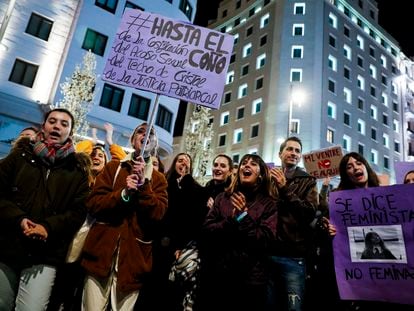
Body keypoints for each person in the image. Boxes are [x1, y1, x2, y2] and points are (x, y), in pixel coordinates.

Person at [0, 108, 90, 311]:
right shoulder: (19, 158)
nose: (57, 126)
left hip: (45, 254)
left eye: (64, 124)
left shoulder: (77, 170)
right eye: (52, 121)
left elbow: (78, 211)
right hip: (8, 246)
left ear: (71, 133)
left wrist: (47, 227)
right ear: (44, 126)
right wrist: (19, 219)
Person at [80, 122, 168, 311]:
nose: (145, 136)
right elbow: (94, 204)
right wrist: (123, 194)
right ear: (132, 139)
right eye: (140, 132)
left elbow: (158, 215)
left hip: (133, 263)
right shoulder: (113, 168)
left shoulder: (159, 180)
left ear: (155, 144)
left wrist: (144, 187)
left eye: (151, 134)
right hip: (100, 256)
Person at [200, 154, 278, 311]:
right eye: (244, 163)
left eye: (253, 164)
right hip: (220, 275)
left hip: (250, 279)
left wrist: (244, 216)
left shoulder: (268, 203)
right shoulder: (223, 198)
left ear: (261, 174)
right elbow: (207, 229)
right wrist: (232, 221)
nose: (246, 166)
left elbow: (266, 239)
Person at [142, 152, 206, 311]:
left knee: (168, 289)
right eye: (180, 160)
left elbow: (193, 220)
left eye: (187, 161)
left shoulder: (196, 189)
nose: (183, 163)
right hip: (156, 241)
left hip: (176, 247)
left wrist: (181, 246)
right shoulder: (163, 182)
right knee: (149, 283)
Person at [267, 136, 319, 311]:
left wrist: (284, 188)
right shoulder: (268, 179)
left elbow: (309, 213)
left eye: (297, 150)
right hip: (268, 254)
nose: (293, 153)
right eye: (289, 149)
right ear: (280, 154)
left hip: (293, 257)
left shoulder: (308, 181)